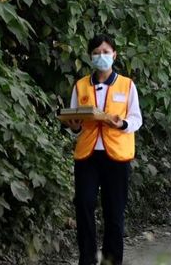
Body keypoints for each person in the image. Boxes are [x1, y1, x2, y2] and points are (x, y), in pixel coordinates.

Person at [65, 34, 143, 265]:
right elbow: (74, 117)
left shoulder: (127, 85)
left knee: (114, 212)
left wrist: (123, 124)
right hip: (87, 154)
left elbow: (136, 117)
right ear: (90, 57)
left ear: (114, 55)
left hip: (117, 154)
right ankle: (87, 259)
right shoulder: (81, 85)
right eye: (97, 53)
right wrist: (75, 127)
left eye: (106, 52)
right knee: (84, 204)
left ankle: (112, 260)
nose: (102, 57)